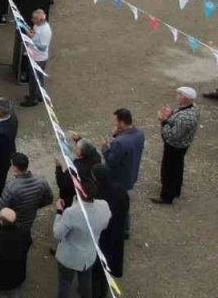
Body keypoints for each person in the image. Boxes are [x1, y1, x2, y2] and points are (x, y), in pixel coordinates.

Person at [52, 178, 111, 298]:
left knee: (65, 283)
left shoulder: (71, 212)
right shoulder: (104, 205)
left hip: (69, 257)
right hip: (89, 255)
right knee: (85, 283)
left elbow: (57, 234)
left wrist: (59, 212)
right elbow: (105, 225)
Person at [153, 87, 199, 204]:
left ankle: (167, 196)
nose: (177, 97)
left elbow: (173, 135)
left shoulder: (185, 118)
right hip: (182, 146)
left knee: (168, 170)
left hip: (175, 146)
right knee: (177, 167)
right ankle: (176, 190)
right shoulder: (193, 108)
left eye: (179, 95)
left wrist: (163, 120)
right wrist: (172, 113)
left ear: (185, 98)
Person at [100, 108, 142, 236]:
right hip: (131, 173)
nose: (115, 124)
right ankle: (125, 229)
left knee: (117, 204)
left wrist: (105, 147)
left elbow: (112, 161)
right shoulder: (140, 133)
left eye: (116, 121)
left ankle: (121, 229)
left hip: (118, 178)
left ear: (122, 122)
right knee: (123, 202)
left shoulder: (120, 142)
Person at [90, 165, 128, 296]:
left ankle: (98, 293)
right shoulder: (119, 188)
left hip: (104, 237)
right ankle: (103, 289)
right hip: (117, 234)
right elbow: (126, 206)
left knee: (99, 267)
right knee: (108, 265)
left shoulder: (99, 195)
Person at [0, 152, 53, 232]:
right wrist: (34, 206)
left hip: (13, 222)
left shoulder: (11, 187)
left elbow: (1, 209)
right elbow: (49, 199)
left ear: (15, 167)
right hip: (29, 220)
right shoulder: (42, 181)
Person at [20, 9, 52, 107]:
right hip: (35, 56)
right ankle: (39, 95)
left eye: (34, 19)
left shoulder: (45, 31)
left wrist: (31, 38)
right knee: (39, 77)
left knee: (34, 79)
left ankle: (33, 99)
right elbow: (35, 34)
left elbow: (42, 47)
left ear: (40, 20)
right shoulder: (37, 25)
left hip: (39, 59)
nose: (32, 20)